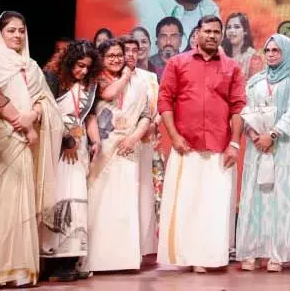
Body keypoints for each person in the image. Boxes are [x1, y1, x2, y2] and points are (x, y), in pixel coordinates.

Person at [0, 11, 64, 289]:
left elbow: (45, 99)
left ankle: (20, 271)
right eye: (11, 30)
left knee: (21, 205)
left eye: (21, 30)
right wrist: (20, 124)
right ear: (0, 33)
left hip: (24, 144)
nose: (17, 35)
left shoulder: (31, 66)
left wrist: (32, 116)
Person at [157, 15, 246, 273]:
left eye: (216, 32)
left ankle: (208, 258)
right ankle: (186, 256)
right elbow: (165, 101)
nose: (212, 36)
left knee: (214, 206)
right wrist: (174, 137)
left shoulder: (232, 67)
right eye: (207, 31)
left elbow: (238, 107)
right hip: (186, 146)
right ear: (196, 34)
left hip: (219, 147)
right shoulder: (177, 63)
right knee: (186, 203)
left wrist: (234, 144)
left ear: (221, 35)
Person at [237, 34, 290, 272]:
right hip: (257, 146)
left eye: (276, 50)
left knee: (282, 198)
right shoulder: (255, 81)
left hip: (285, 148)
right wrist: (254, 134)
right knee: (257, 196)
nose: (270, 54)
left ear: (286, 53)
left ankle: (278, 254)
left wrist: (273, 134)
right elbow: (246, 110)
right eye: (267, 50)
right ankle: (253, 250)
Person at [82, 38, 152, 273]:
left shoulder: (139, 83)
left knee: (124, 203)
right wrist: (125, 75)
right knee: (100, 202)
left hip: (128, 149)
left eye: (119, 55)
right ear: (101, 58)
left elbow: (145, 115)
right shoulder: (96, 79)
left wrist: (134, 137)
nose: (116, 59)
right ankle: (97, 260)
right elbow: (109, 94)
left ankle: (123, 260)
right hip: (103, 149)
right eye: (110, 56)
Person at [40, 39, 100, 282]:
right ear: (68, 62)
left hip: (79, 148)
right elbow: (47, 112)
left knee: (76, 201)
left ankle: (70, 259)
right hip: (57, 146)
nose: (83, 71)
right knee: (57, 199)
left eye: (87, 67)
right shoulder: (52, 78)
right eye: (79, 65)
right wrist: (65, 139)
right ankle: (51, 261)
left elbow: (89, 116)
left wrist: (96, 140)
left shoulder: (90, 84)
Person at [123, 36, 161, 258]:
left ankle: (143, 246)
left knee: (144, 188)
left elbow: (160, 106)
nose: (130, 55)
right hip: (122, 141)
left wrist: (153, 125)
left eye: (134, 51)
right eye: (126, 50)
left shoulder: (149, 78)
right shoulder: (112, 77)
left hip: (145, 140)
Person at [223, 12, 262, 80]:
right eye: (228, 27)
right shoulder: (222, 55)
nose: (231, 31)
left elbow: (255, 84)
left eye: (236, 27)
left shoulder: (253, 57)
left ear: (245, 31)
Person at [149, 16, 183, 80]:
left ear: (180, 40)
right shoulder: (147, 64)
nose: (168, 42)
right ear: (157, 40)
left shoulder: (188, 64)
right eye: (163, 36)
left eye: (173, 36)